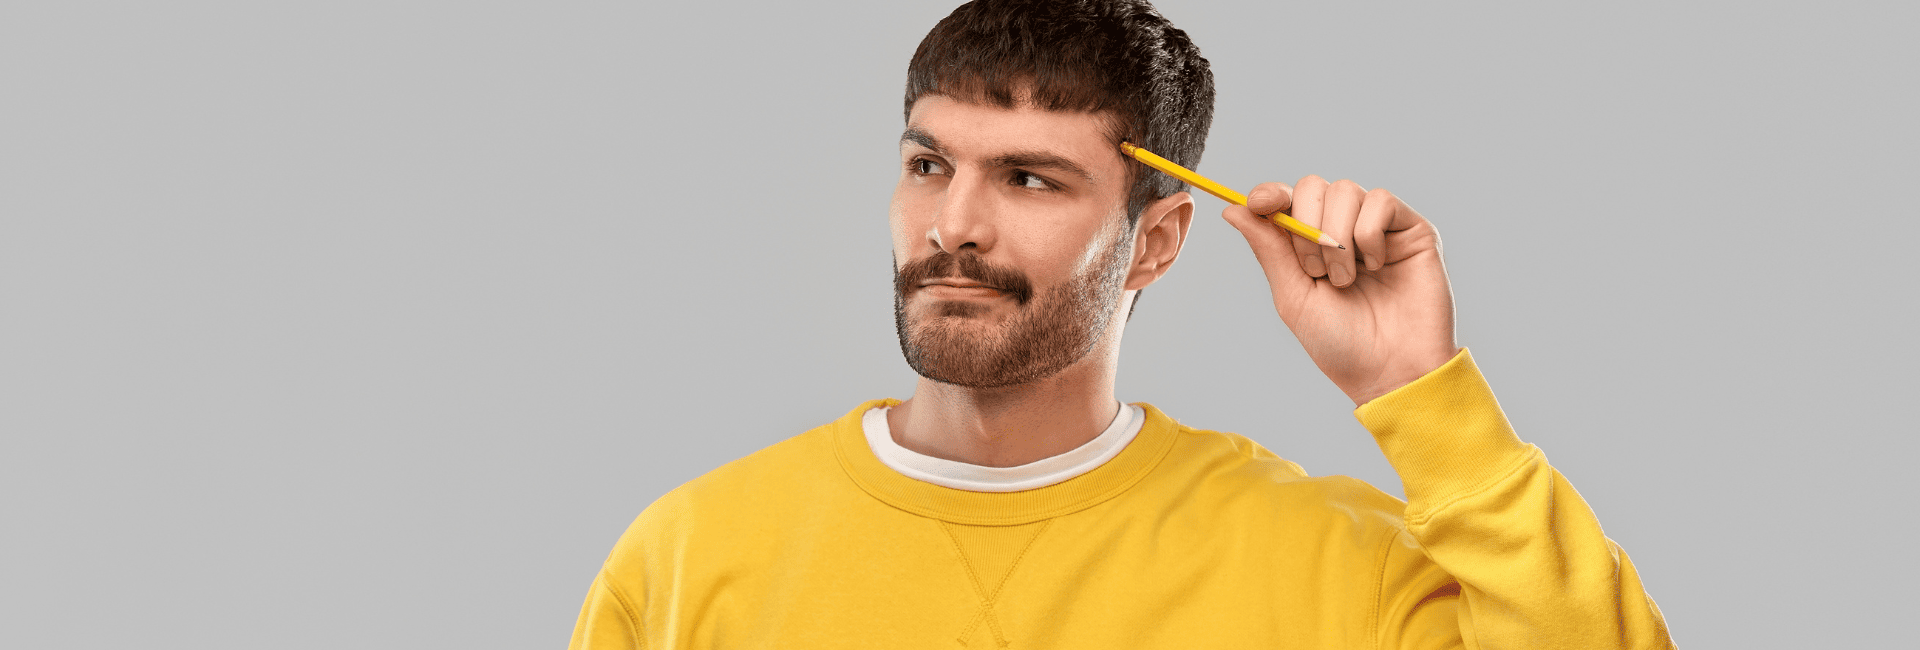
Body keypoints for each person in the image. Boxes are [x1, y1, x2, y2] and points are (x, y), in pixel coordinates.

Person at [571, 1, 1675, 647]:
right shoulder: (686, 562)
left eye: (1030, 180)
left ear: (1155, 240)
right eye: (928, 164)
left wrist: (1422, 392)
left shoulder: (1340, 570)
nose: (954, 225)